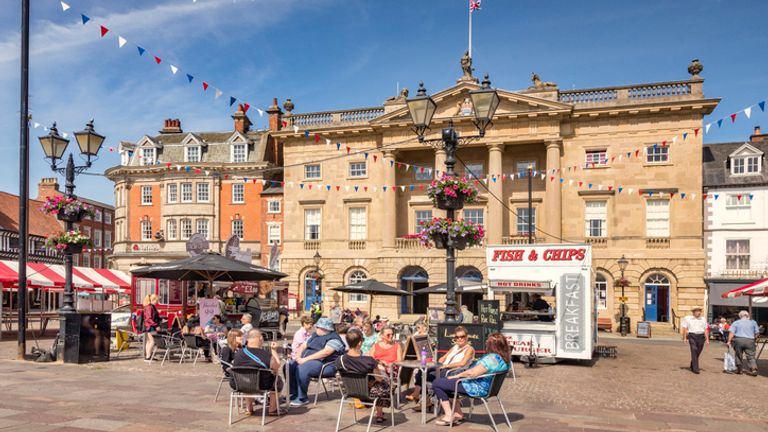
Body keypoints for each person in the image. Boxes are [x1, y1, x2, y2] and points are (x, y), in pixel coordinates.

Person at [431, 332, 511, 426]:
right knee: (446, 383)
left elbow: (472, 373)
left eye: (487, 342)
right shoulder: (504, 359)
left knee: (437, 383)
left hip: (476, 387)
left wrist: (456, 376)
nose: (485, 343)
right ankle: (458, 413)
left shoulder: (492, 359)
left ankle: (449, 415)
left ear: (491, 345)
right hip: (489, 388)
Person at [406, 325, 475, 408]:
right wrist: (440, 361)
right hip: (444, 368)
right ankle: (419, 395)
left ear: (467, 337)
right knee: (421, 371)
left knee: (425, 375)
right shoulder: (455, 347)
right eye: (457, 337)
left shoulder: (469, 349)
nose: (459, 339)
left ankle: (424, 399)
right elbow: (444, 357)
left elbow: (462, 363)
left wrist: (446, 365)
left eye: (462, 337)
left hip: (453, 372)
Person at [335, 329, 392, 424]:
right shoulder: (369, 361)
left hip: (350, 392)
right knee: (386, 384)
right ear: (360, 343)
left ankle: (379, 413)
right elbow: (379, 379)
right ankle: (379, 412)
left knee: (380, 385)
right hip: (368, 393)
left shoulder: (339, 360)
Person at [288, 317, 346, 407]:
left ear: (324, 328)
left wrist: (304, 360)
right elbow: (303, 346)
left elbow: (325, 352)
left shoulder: (334, 339)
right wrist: (298, 357)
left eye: (317, 327)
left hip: (325, 365)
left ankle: (302, 398)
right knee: (289, 365)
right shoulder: (315, 335)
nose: (315, 328)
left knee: (303, 368)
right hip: (307, 360)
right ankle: (293, 394)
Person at [233, 329, 282, 416]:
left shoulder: (238, 354)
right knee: (278, 380)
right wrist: (274, 350)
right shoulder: (265, 354)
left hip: (239, 384)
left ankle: (249, 408)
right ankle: (272, 409)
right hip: (262, 385)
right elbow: (277, 366)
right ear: (260, 338)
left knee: (245, 378)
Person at [727, 310, 759, 376]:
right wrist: (754, 339)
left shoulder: (736, 322)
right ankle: (753, 369)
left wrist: (729, 341)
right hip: (750, 340)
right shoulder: (753, 322)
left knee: (738, 355)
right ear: (747, 315)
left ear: (740, 316)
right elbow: (757, 333)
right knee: (751, 356)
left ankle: (739, 370)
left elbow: (731, 333)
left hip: (738, 340)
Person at [681, 306, 709, 374]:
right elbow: (685, 328)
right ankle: (696, 369)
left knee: (698, 351)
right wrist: (684, 338)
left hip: (701, 336)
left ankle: (693, 363)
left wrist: (707, 339)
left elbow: (705, 329)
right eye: (697, 311)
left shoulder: (703, 319)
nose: (699, 312)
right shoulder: (688, 318)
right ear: (693, 312)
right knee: (694, 349)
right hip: (692, 335)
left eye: (699, 311)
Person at [142, 294, 160, 362]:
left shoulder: (148, 306)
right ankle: (148, 357)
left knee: (149, 341)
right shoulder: (150, 307)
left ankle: (148, 356)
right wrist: (156, 325)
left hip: (147, 326)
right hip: (150, 326)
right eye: (156, 300)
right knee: (153, 341)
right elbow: (149, 319)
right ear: (153, 300)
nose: (157, 302)